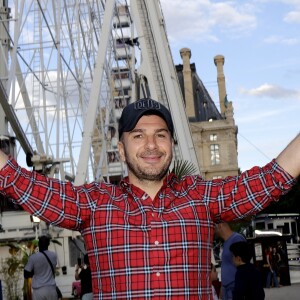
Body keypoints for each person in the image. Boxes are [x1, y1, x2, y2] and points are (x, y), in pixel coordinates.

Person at [0, 97, 299, 299]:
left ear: (171, 143)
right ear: (121, 149)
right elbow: (18, 181)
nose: (152, 145)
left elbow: (271, 179)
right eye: (139, 135)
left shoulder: (200, 197)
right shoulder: (94, 204)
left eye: (161, 134)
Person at [214, 223, 246, 300]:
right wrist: (222, 285)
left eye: (214, 228)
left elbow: (243, 263)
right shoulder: (226, 242)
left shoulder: (236, 239)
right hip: (227, 286)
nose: (213, 231)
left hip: (234, 285)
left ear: (220, 226)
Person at [24, 235, 58, 300]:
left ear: (39, 244)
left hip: (38, 291)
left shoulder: (33, 257)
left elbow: (26, 274)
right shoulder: (54, 255)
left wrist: (34, 271)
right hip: (51, 289)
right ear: (48, 244)